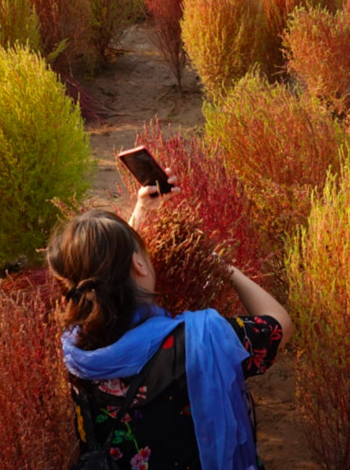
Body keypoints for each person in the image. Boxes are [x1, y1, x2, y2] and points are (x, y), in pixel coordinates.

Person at [47, 170, 294, 470]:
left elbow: (104, 278)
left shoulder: (75, 348)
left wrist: (139, 215)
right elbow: (280, 325)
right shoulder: (196, 342)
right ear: (138, 263)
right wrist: (224, 267)